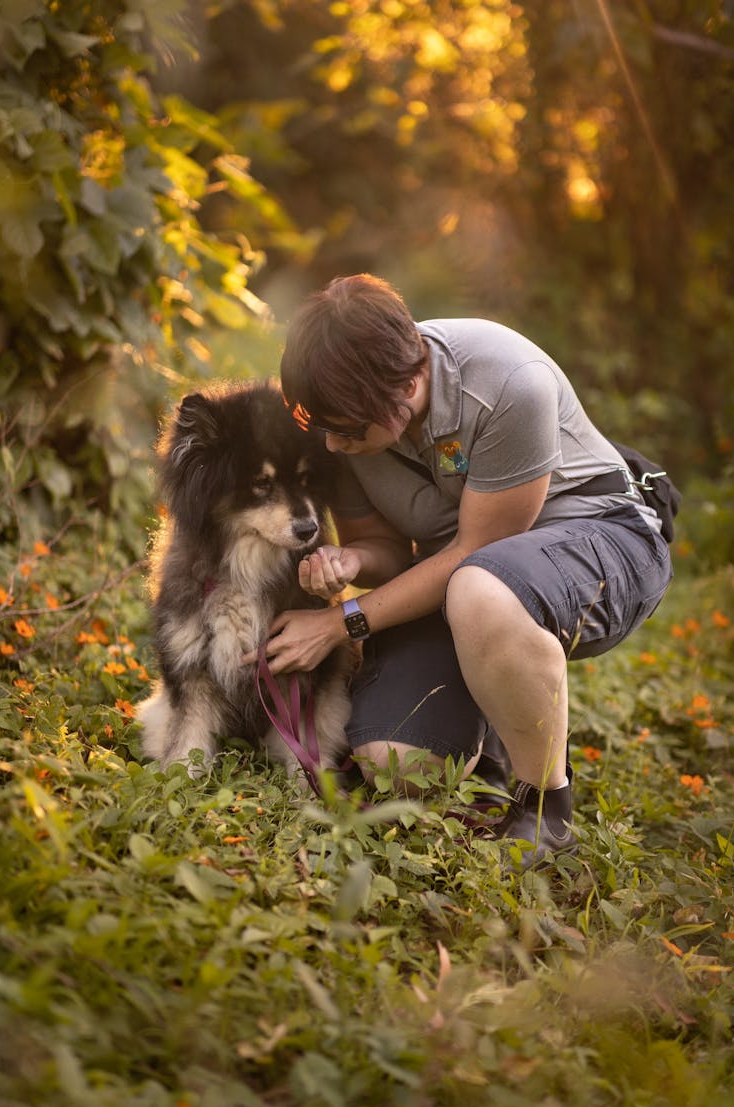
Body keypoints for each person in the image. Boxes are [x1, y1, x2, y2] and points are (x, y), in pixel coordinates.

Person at [250, 274, 673, 867]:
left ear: (408, 385)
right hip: (465, 582)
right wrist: (352, 560)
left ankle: (544, 809)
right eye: (325, 428)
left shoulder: (505, 384)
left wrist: (337, 623)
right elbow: (389, 549)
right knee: (396, 766)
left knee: (483, 589)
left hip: (601, 537)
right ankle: (495, 747)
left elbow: (477, 551)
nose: (335, 448)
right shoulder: (337, 425)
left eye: (348, 431)